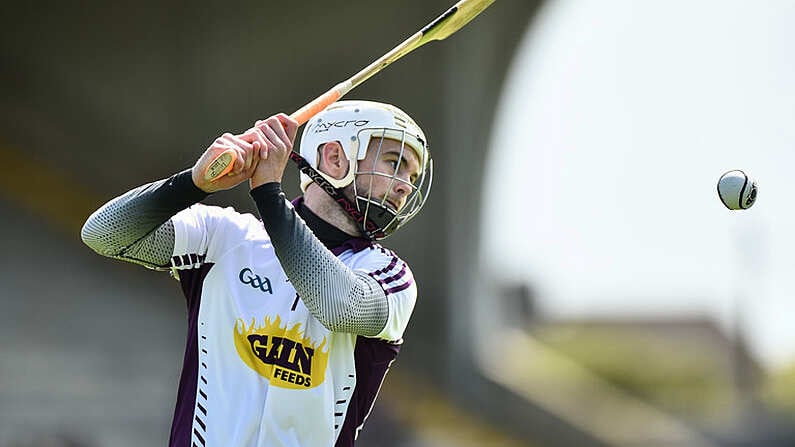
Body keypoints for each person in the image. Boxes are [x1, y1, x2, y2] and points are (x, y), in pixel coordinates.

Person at [81, 100, 433, 447]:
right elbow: (104, 234)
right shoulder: (224, 237)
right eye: (395, 163)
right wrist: (194, 183)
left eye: (412, 176)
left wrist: (268, 193)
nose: (405, 186)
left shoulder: (388, 275)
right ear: (335, 158)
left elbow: (341, 307)